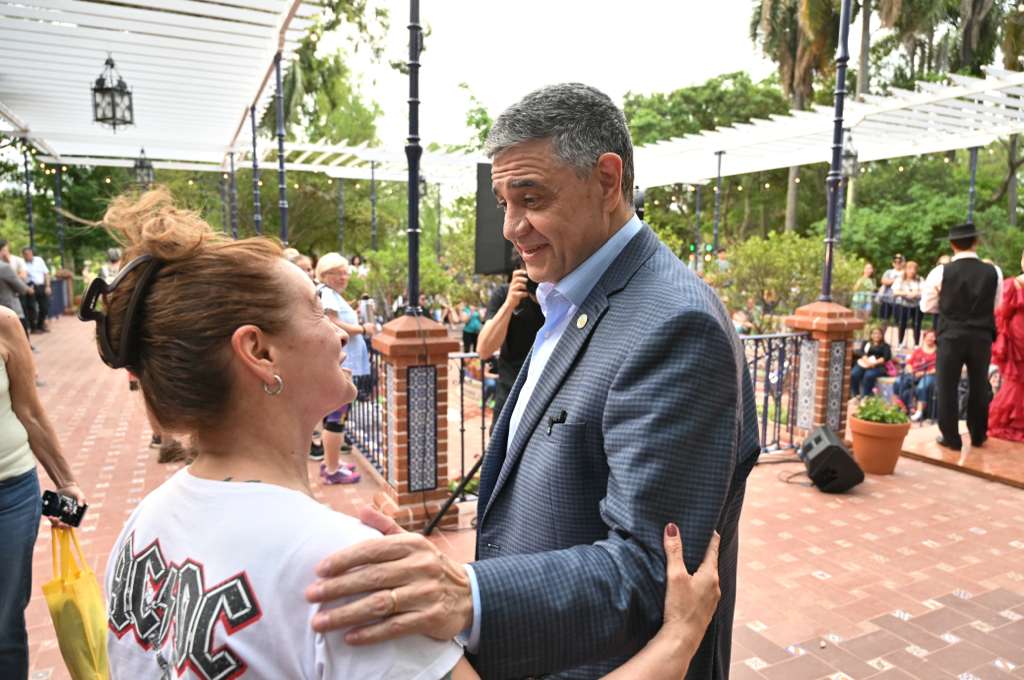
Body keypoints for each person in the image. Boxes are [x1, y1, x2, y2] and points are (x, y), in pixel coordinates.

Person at [87, 189, 723, 680]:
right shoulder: (349, 580)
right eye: (317, 308)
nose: (340, 330)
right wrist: (676, 643)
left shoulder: (141, 529)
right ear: (259, 352)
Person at [307, 83, 759, 679]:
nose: (511, 227)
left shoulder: (675, 325)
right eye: (503, 202)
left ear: (606, 180)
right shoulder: (569, 294)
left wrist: (469, 594)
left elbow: (651, 572)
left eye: (531, 198)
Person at [0, 306, 84, 679]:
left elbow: (28, 410)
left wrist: (65, 480)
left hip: (11, 494)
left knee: (4, 620)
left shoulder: (4, 323)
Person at [921, 222, 1003, 451]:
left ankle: (951, 438)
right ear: (976, 242)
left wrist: (949, 308)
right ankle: (978, 435)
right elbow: (997, 305)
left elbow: (926, 306)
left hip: (951, 335)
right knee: (979, 385)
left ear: (952, 244)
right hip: (981, 336)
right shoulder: (993, 271)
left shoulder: (940, 272)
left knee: (947, 385)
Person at [315, 253, 374, 484]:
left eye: (345, 272)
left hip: (344, 363)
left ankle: (331, 462)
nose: (343, 277)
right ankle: (331, 471)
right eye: (337, 273)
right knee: (336, 418)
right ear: (325, 274)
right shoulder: (327, 293)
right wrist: (363, 329)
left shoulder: (330, 294)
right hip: (343, 365)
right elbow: (332, 323)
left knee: (336, 415)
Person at [476, 265, 544, 422]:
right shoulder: (505, 294)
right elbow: (484, 349)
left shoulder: (560, 296)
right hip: (509, 397)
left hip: (546, 399)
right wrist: (509, 304)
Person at [989, 248, 1024, 442]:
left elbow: (1002, 314)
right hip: (1019, 335)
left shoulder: (1015, 284)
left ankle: (1008, 422)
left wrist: (1002, 337)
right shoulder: (1014, 284)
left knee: (1016, 380)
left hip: (1019, 334)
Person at [895, 329, 938, 422]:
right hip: (914, 373)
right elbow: (909, 363)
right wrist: (910, 370)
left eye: (932, 336)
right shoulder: (918, 350)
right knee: (898, 382)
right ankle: (901, 405)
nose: (930, 338)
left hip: (929, 374)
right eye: (928, 336)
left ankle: (919, 411)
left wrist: (923, 373)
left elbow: (937, 368)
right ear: (925, 337)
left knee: (922, 386)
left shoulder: (938, 352)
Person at [851, 326, 893, 399]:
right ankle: (856, 395)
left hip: (878, 366)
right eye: (874, 333)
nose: (876, 335)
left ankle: (865, 397)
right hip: (864, 363)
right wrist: (867, 362)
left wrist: (874, 363)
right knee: (854, 374)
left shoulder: (885, 346)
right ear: (871, 335)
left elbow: (886, 357)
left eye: (879, 334)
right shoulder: (866, 343)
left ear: (882, 335)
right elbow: (862, 353)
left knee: (868, 375)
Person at [0, 241, 31, 339]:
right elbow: (22, 288)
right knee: (22, 339)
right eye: (6, 249)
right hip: (10, 309)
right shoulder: (4, 267)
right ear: (3, 251)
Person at [893, 260, 923, 348]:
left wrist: (915, 294)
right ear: (905, 269)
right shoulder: (900, 279)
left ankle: (916, 344)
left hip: (916, 306)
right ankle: (900, 342)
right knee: (902, 324)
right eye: (910, 268)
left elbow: (924, 291)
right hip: (903, 305)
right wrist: (906, 294)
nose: (912, 271)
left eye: (914, 269)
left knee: (917, 324)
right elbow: (895, 291)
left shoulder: (920, 279)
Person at [21, 248, 50, 333]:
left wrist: (48, 286)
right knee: (32, 308)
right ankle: (34, 328)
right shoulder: (22, 263)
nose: (28, 256)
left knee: (45, 308)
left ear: (32, 253)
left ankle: (40, 326)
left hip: (41, 286)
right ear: (23, 255)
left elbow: (46, 273)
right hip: (30, 287)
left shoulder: (39, 260)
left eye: (29, 254)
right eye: (26, 254)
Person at [877, 254, 905, 328]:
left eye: (899, 262)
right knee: (883, 321)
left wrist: (890, 281)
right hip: (886, 300)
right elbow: (884, 281)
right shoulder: (888, 272)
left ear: (903, 263)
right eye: (895, 262)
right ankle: (881, 338)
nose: (897, 263)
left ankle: (899, 339)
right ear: (893, 263)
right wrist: (897, 280)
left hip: (900, 302)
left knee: (900, 323)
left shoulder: (905, 273)